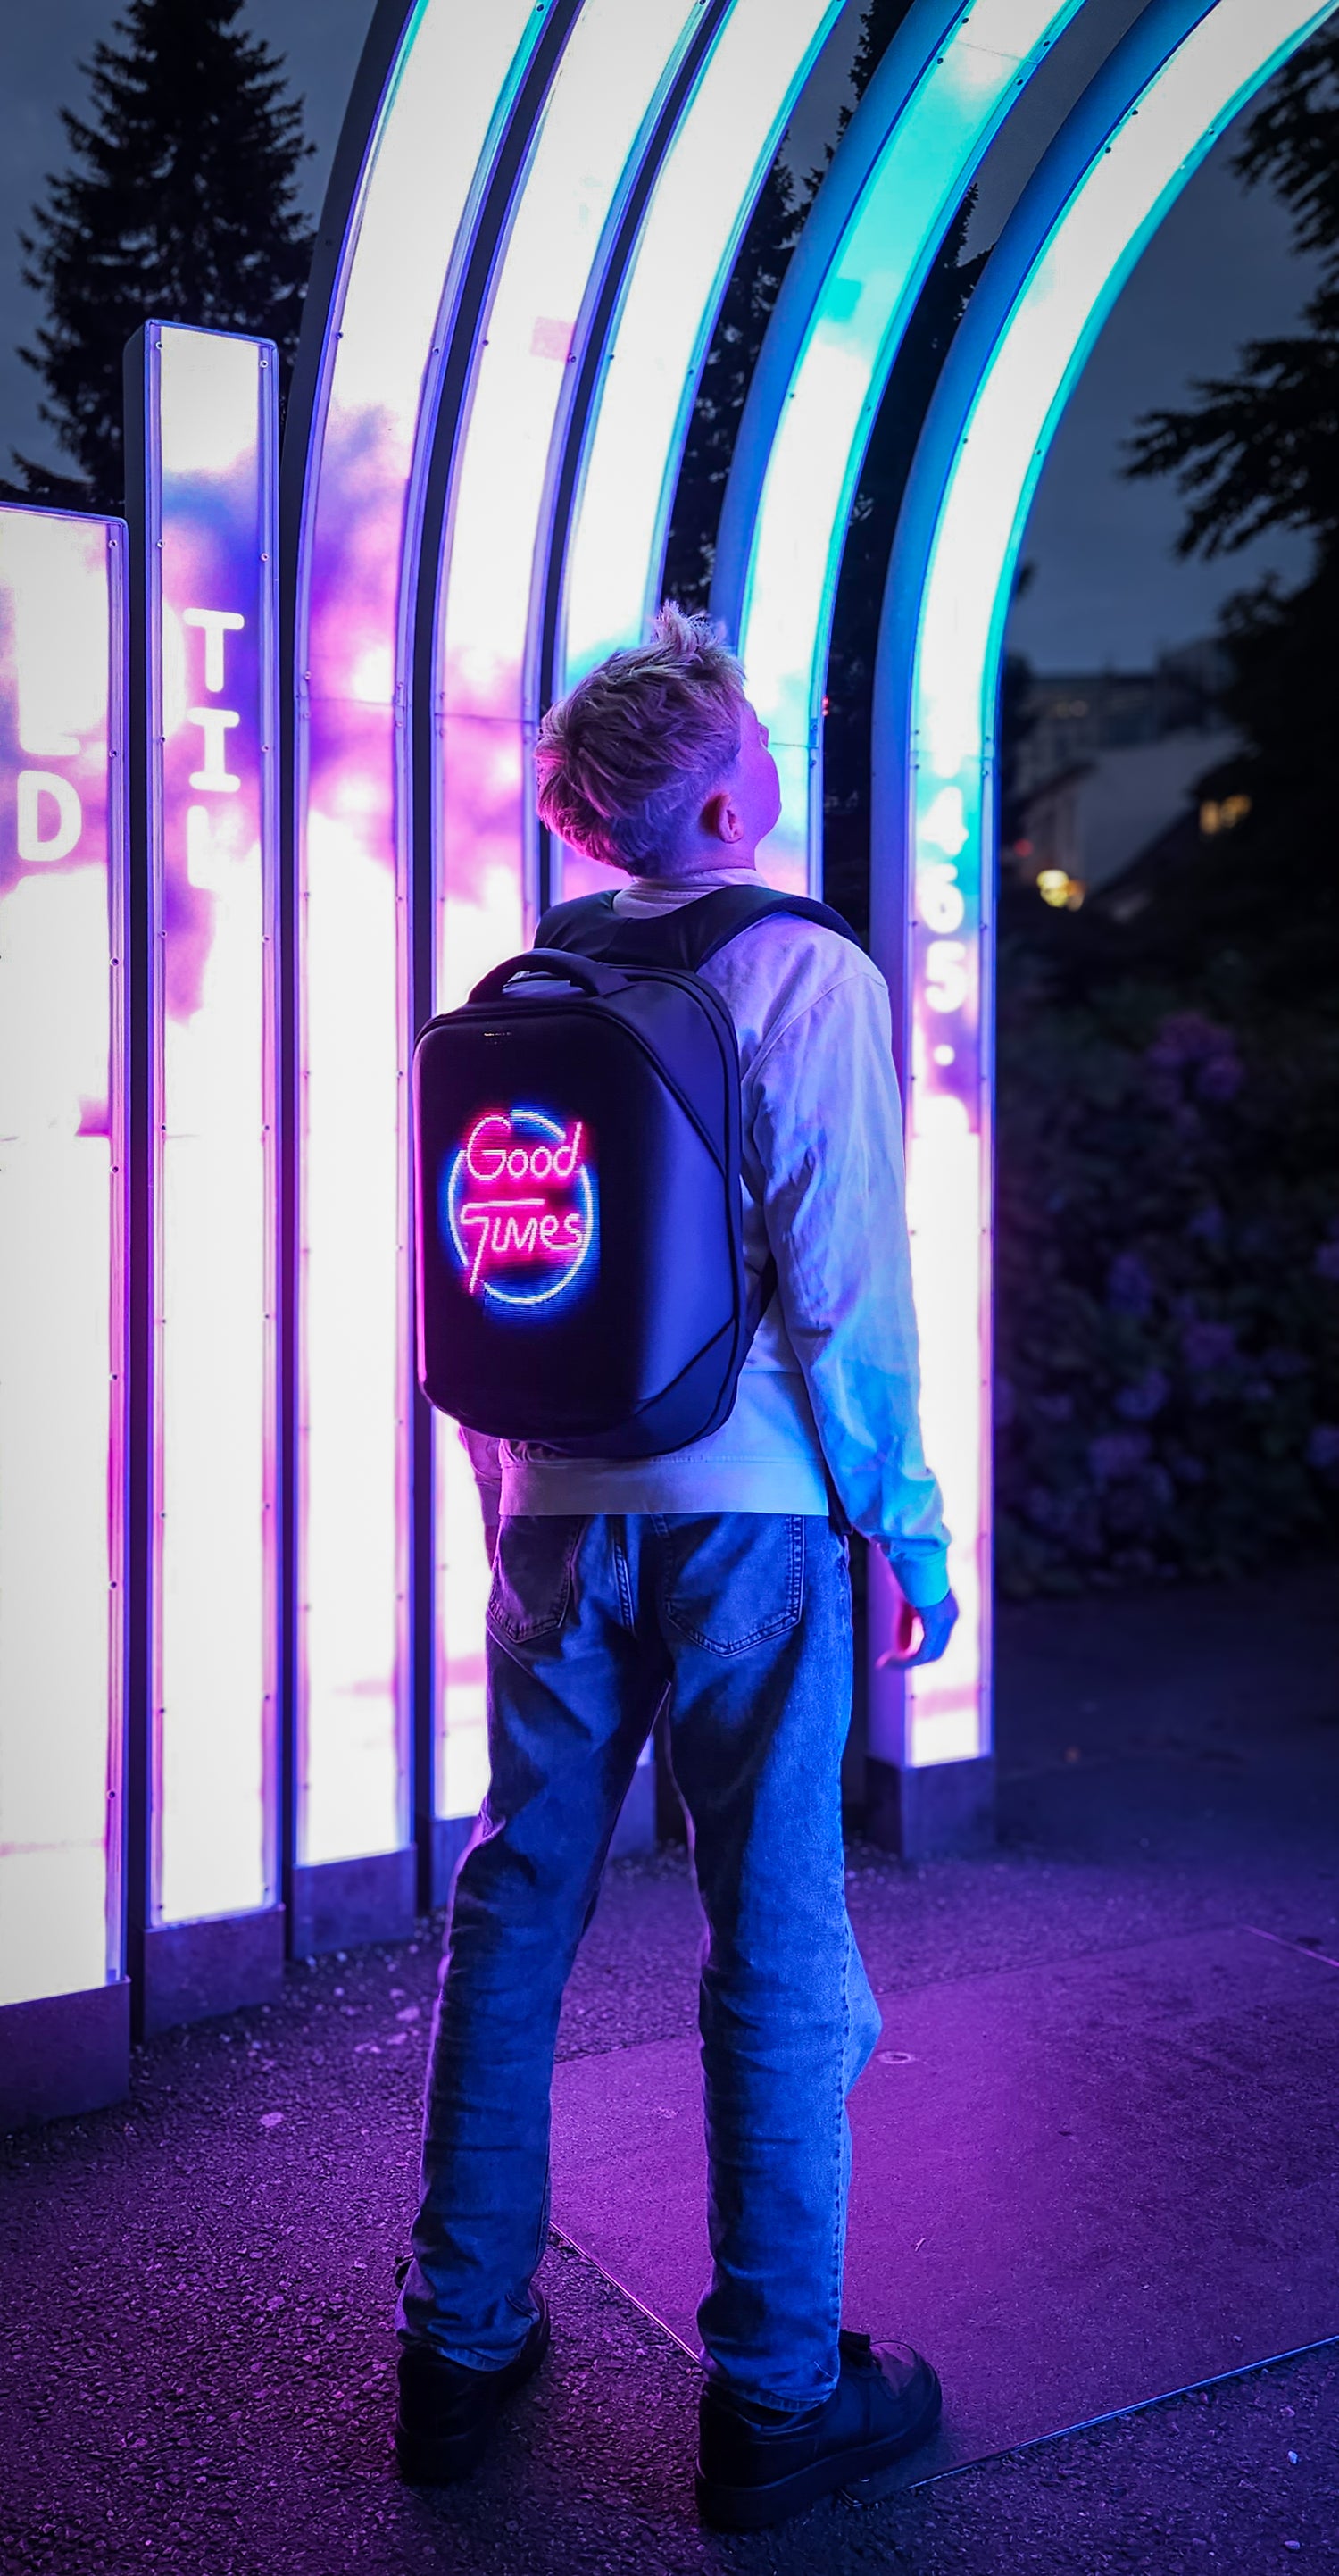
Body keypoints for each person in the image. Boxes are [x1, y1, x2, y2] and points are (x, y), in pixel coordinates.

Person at [395, 604, 957, 2531]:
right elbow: (848, 1277)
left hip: (558, 1509)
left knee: (514, 1918)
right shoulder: (800, 971)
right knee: (778, 1942)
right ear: (728, 791)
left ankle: (456, 2350)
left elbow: (490, 1272)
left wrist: (520, 1512)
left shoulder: (520, 989)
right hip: (757, 1521)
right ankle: (775, 2401)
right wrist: (904, 1521)